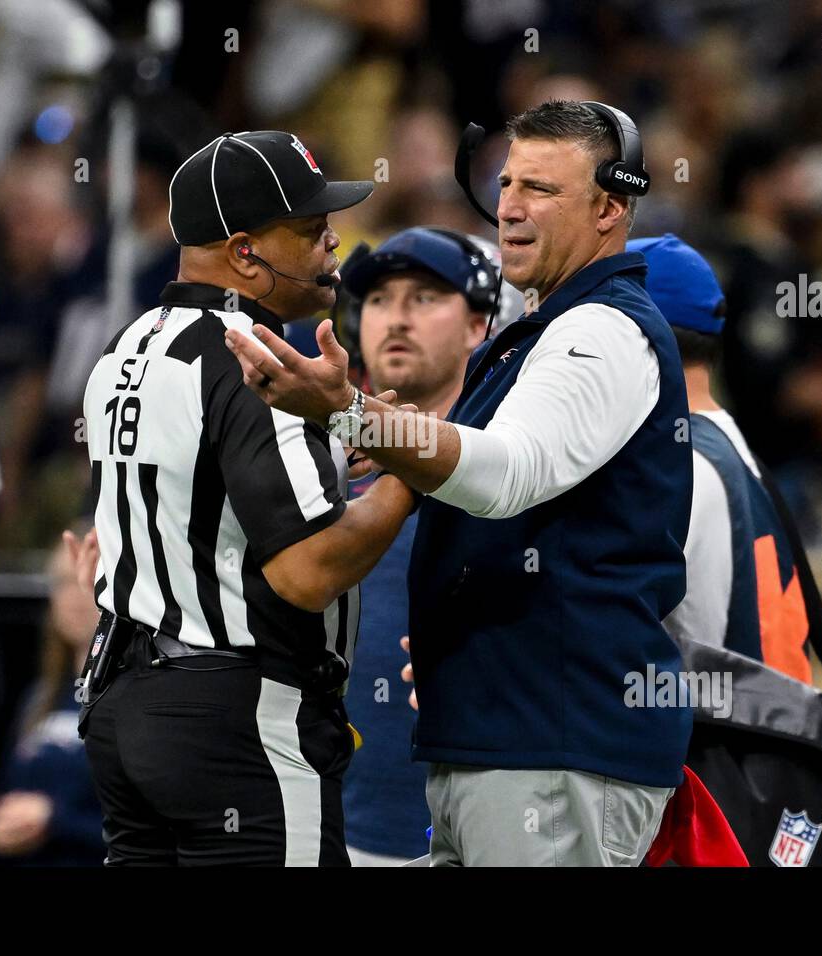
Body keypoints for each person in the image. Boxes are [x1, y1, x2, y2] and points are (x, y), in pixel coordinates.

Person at [226, 100, 694, 866]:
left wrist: (349, 413)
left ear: (611, 207)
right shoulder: (541, 333)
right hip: (504, 736)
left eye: (541, 188)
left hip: (554, 740)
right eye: (506, 182)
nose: (509, 206)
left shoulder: (602, 328)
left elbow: (504, 473)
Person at [78, 130, 418, 866]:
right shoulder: (252, 359)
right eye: (306, 229)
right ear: (243, 252)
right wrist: (410, 474)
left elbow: (200, 496)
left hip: (124, 704)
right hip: (235, 715)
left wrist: (336, 455)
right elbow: (307, 573)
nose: (332, 242)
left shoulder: (126, 346)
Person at [337, 227, 503, 865]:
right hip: (332, 823)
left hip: (474, 823)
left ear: (480, 324)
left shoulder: (517, 466)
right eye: (379, 299)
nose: (396, 317)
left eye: (426, 297)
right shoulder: (319, 461)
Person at [639, 234, 815, 682]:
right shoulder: (721, 447)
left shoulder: (683, 466)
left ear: (635, 335)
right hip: (752, 739)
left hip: (710, 744)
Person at [0, 535, 104, 866]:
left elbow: (157, 833)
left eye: (90, 580)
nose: (75, 595)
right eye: (64, 582)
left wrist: (56, 820)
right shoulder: (39, 698)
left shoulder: (137, 700)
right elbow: (6, 797)